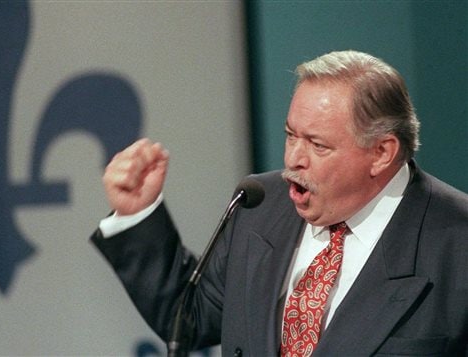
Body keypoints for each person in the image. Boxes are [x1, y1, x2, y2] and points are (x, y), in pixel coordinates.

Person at [90, 50, 467, 356]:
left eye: (318, 145)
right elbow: (190, 318)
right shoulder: (261, 205)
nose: (293, 160)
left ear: (382, 152)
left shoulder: (457, 242)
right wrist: (136, 212)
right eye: (291, 136)